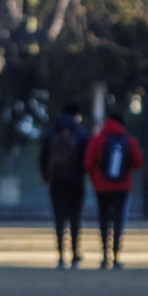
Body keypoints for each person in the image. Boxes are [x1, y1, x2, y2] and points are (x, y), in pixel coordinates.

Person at [84, 109, 143, 269]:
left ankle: (104, 254)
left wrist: (96, 179)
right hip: (123, 188)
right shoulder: (129, 140)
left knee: (104, 219)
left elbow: (88, 163)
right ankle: (116, 255)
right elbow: (138, 162)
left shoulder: (98, 139)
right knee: (118, 220)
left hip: (102, 187)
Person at [40, 102, 91, 269]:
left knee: (59, 218)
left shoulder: (51, 133)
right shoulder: (82, 133)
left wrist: (46, 177)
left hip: (57, 180)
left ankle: (61, 255)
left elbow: (43, 157)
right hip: (76, 180)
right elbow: (88, 159)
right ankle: (75, 254)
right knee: (75, 218)